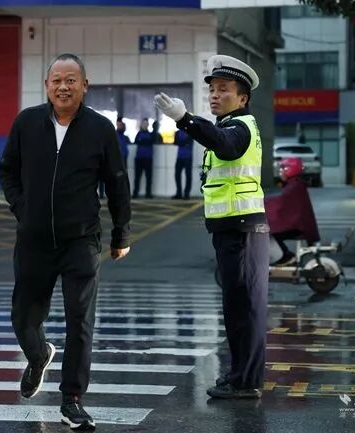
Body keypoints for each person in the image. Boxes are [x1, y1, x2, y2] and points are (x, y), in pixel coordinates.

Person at [0, 53, 131, 431]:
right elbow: (6, 170)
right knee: (24, 317)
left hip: (80, 241)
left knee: (80, 322)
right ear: (46, 86)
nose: (63, 86)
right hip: (34, 241)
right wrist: (23, 208)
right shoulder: (26, 123)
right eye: (56, 80)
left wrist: (121, 232)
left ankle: (72, 399)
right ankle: (38, 354)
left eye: (71, 80)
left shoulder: (99, 129)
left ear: (84, 86)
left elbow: (117, 183)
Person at [154, 54, 269, 399]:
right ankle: (239, 374)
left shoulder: (240, 128)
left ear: (242, 98)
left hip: (242, 230)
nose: (215, 95)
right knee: (236, 308)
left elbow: (225, 146)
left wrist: (184, 119)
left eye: (224, 90)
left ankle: (246, 382)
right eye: (212, 90)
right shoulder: (229, 125)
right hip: (232, 230)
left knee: (244, 309)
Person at [264, 157, 320, 266]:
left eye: (283, 168)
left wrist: (263, 204)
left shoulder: (294, 186)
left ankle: (283, 258)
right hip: (300, 226)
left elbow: (280, 204)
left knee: (263, 231)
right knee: (269, 229)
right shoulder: (296, 184)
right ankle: (285, 255)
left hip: (297, 227)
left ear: (290, 169)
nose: (280, 172)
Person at [133, 118, 154, 198]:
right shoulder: (138, 134)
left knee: (149, 177)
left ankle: (148, 193)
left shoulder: (151, 135)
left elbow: (150, 142)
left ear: (148, 125)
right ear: (141, 125)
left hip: (148, 159)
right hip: (139, 159)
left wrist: (143, 141)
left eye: (146, 124)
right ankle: (135, 193)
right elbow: (136, 142)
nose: (145, 125)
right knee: (137, 177)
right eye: (144, 124)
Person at [172, 129, 193, 199]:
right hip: (179, 157)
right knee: (177, 175)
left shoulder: (190, 131)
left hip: (188, 157)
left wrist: (181, 142)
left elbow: (182, 142)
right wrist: (183, 142)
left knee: (188, 176)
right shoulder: (177, 133)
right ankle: (179, 193)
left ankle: (186, 194)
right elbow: (175, 142)